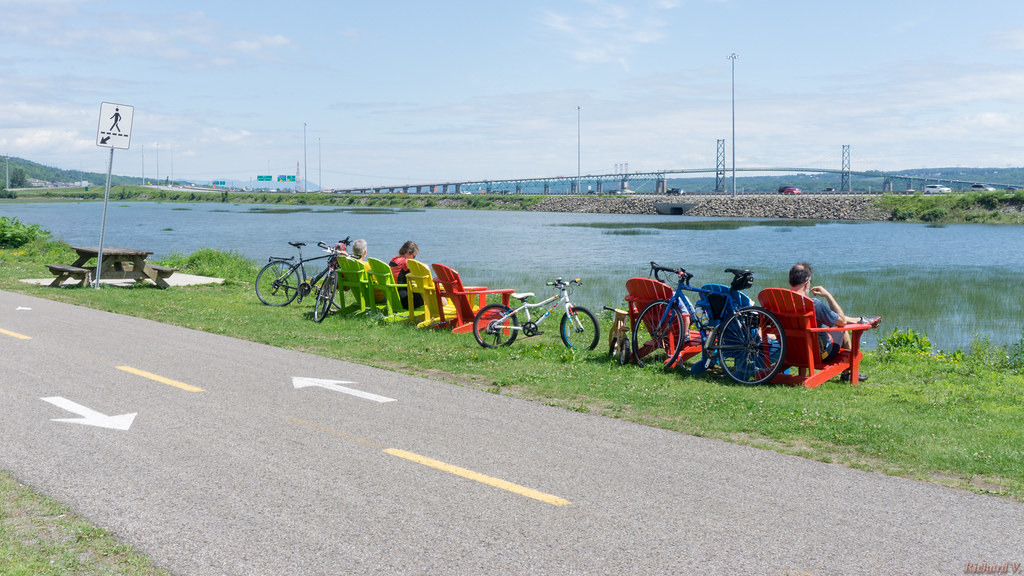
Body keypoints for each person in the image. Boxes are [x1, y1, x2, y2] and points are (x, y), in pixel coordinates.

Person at [788, 262, 878, 381]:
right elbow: (842, 321)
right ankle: (848, 373)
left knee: (810, 333)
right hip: (819, 354)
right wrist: (828, 295)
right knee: (842, 330)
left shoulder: (780, 302)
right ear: (807, 283)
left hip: (792, 352)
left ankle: (860, 320)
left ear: (790, 282)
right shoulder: (813, 304)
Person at [389, 241, 423, 309]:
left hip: (393, 297)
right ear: (408, 252)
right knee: (429, 295)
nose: (413, 259)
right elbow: (418, 276)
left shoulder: (393, 260)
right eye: (414, 256)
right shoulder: (406, 262)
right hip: (404, 299)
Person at [350, 239, 385, 303]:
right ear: (365, 252)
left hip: (361, 297)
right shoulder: (369, 266)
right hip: (377, 298)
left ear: (353, 251)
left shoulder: (349, 266)